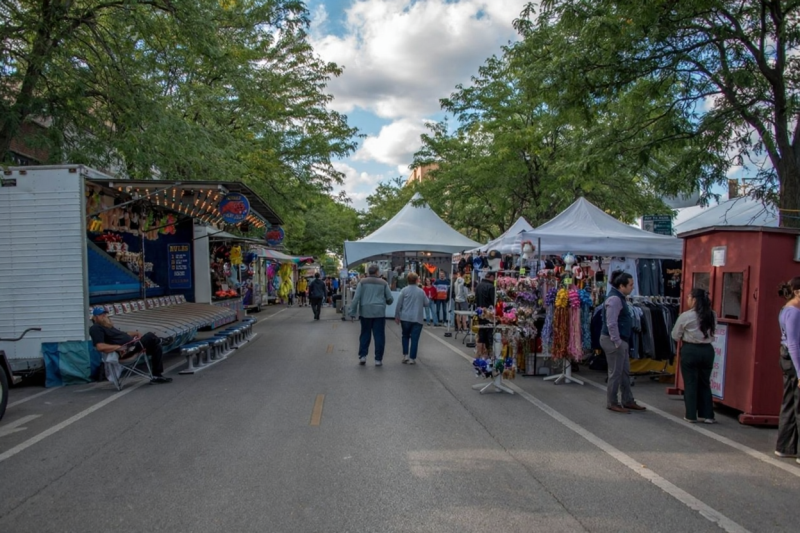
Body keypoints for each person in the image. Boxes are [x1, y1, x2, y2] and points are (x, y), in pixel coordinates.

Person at [600, 272, 646, 413]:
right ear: (622, 285)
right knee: (615, 373)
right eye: (630, 285)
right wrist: (617, 341)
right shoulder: (615, 299)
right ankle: (612, 402)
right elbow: (611, 323)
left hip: (619, 340)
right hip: (613, 341)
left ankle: (627, 400)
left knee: (624, 372)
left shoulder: (619, 298)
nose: (632, 287)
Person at [89, 309, 172, 383]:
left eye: (105, 314)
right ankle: (161, 341)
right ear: (95, 317)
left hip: (132, 346)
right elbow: (100, 346)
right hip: (126, 351)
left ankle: (157, 375)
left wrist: (136, 333)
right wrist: (118, 347)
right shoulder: (96, 328)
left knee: (156, 347)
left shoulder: (108, 327)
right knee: (149, 336)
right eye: (101, 315)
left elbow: (124, 334)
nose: (104, 316)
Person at [671, 288, 717, 423]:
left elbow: (675, 335)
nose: (687, 300)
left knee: (691, 383)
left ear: (695, 300)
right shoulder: (712, 314)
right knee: (705, 382)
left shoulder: (686, 316)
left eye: (689, 298)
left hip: (690, 349)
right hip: (708, 350)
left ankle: (691, 414)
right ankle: (708, 415)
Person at [349, 264, 394, 366]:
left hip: (365, 312)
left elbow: (356, 298)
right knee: (379, 336)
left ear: (369, 272)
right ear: (377, 272)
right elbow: (390, 299)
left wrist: (352, 312)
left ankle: (363, 356)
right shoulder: (384, 283)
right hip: (379, 313)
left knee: (365, 334)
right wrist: (386, 301)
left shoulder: (362, 282)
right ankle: (378, 359)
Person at [776, 278, 800, 462]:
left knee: (790, 403)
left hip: (786, 357)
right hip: (793, 359)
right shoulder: (794, 312)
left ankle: (785, 446)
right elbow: (793, 343)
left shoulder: (786, 309)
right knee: (797, 405)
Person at [394, 272, 429, 364]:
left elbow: (399, 304)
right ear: (417, 280)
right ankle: (412, 358)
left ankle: (405, 355)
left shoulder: (404, 290)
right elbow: (427, 303)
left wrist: (397, 315)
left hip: (405, 318)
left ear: (407, 280)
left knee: (405, 336)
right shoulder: (421, 291)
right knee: (415, 339)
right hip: (417, 318)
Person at [474, 270, 496, 358]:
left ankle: (479, 354)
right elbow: (494, 301)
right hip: (489, 315)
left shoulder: (478, 285)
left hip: (480, 313)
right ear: (491, 277)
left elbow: (475, 300)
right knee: (489, 335)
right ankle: (488, 354)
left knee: (481, 334)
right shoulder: (491, 287)